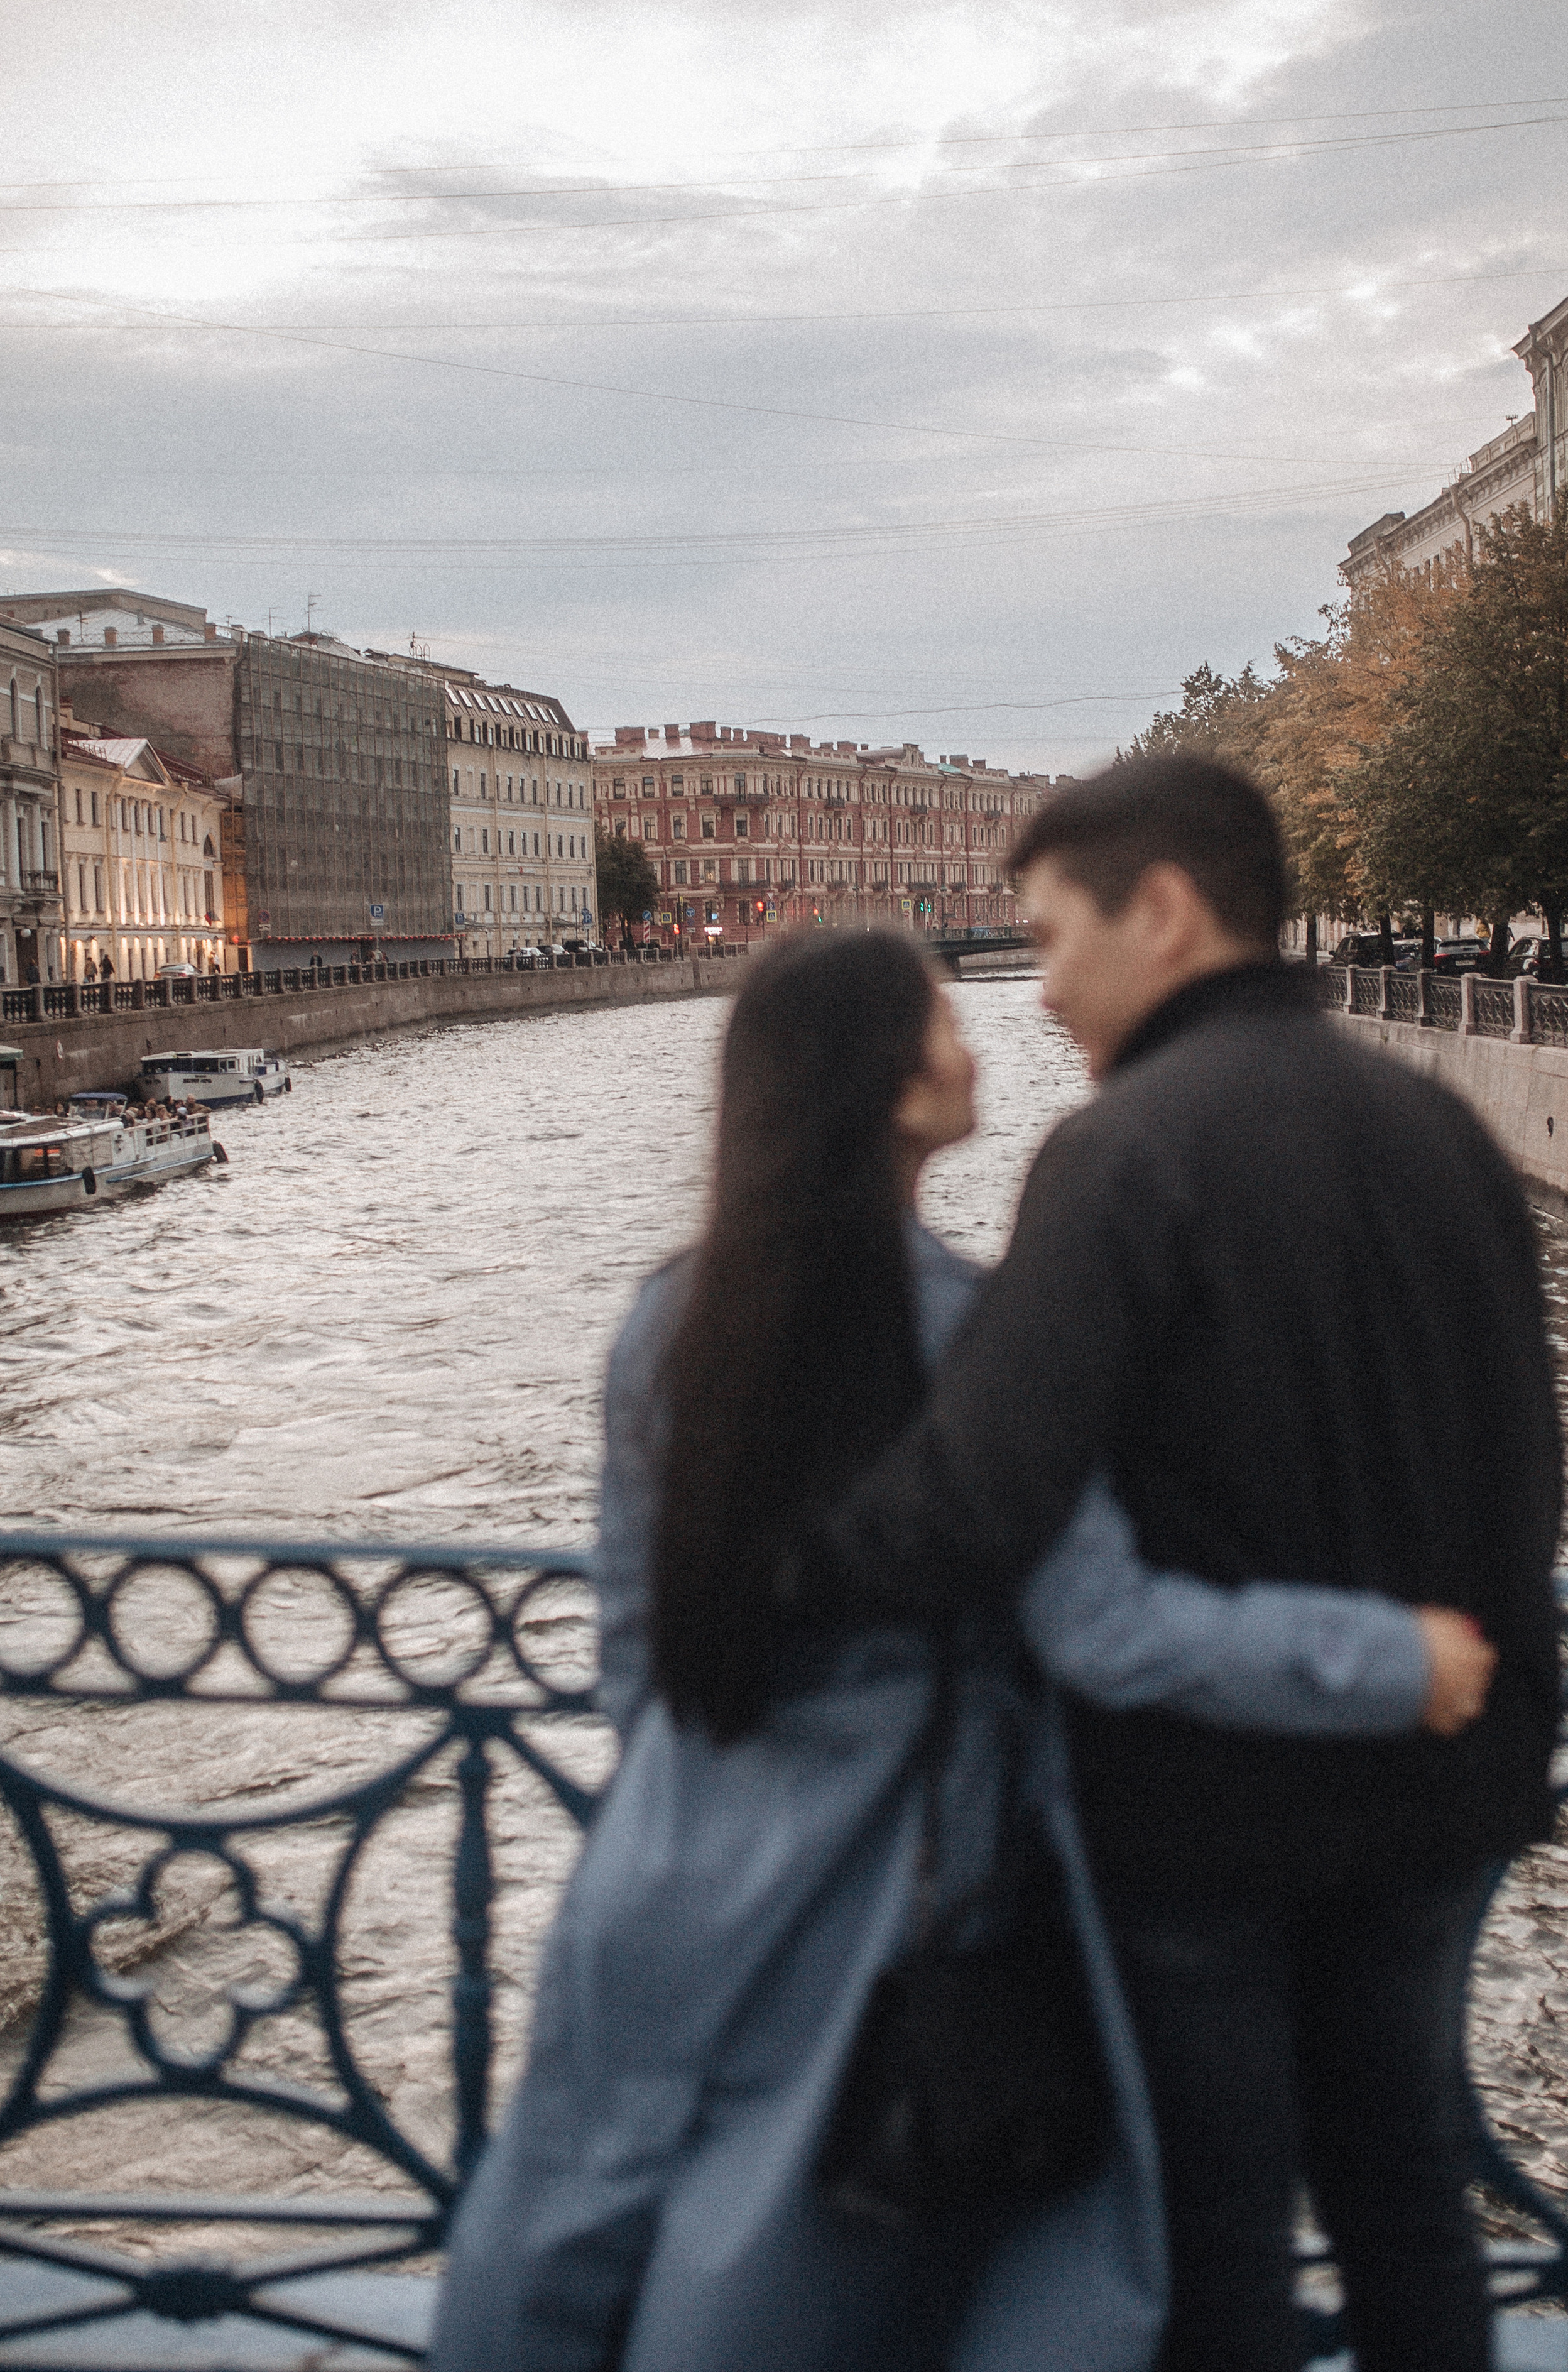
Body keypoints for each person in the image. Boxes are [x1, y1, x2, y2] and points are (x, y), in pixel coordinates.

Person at [432, 929, 1496, 2372]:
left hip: (664, 1874)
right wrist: (1384, 1658)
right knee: (784, 2293)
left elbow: (632, 1656)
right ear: (882, 1081)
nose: (976, 1043)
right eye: (943, 1022)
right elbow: (1105, 1629)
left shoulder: (667, 1319)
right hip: (878, 1911)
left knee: (572, 2250)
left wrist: (713, 1805)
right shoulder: (973, 1333)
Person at [807, 762, 1560, 2372]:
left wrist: (783, 1571)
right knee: (1406, 2198)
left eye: (1052, 935)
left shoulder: (1122, 1153)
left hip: (1209, 1812)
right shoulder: (1437, 1131)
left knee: (1213, 2231)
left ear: (1160, 911)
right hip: (1443, 1781)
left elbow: (976, 1497)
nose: (1045, 984)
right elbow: (1521, 1463)